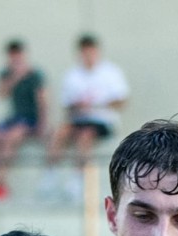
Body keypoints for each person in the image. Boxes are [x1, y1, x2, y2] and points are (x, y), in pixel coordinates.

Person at [42, 35, 129, 199]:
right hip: (79, 118)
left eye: (91, 52)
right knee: (60, 132)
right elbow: (67, 105)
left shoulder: (111, 72)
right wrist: (78, 105)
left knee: (85, 135)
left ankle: (77, 180)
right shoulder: (72, 75)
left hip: (102, 120)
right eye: (84, 53)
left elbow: (122, 101)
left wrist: (98, 104)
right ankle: (50, 176)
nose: (88, 57)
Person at [0, 39, 47, 202]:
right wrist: (15, 78)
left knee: (11, 137)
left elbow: (43, 101)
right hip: (14, 118)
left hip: (30, 119)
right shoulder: (6, 74)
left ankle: (2, 180)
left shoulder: (35, 75)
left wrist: (42, 125)